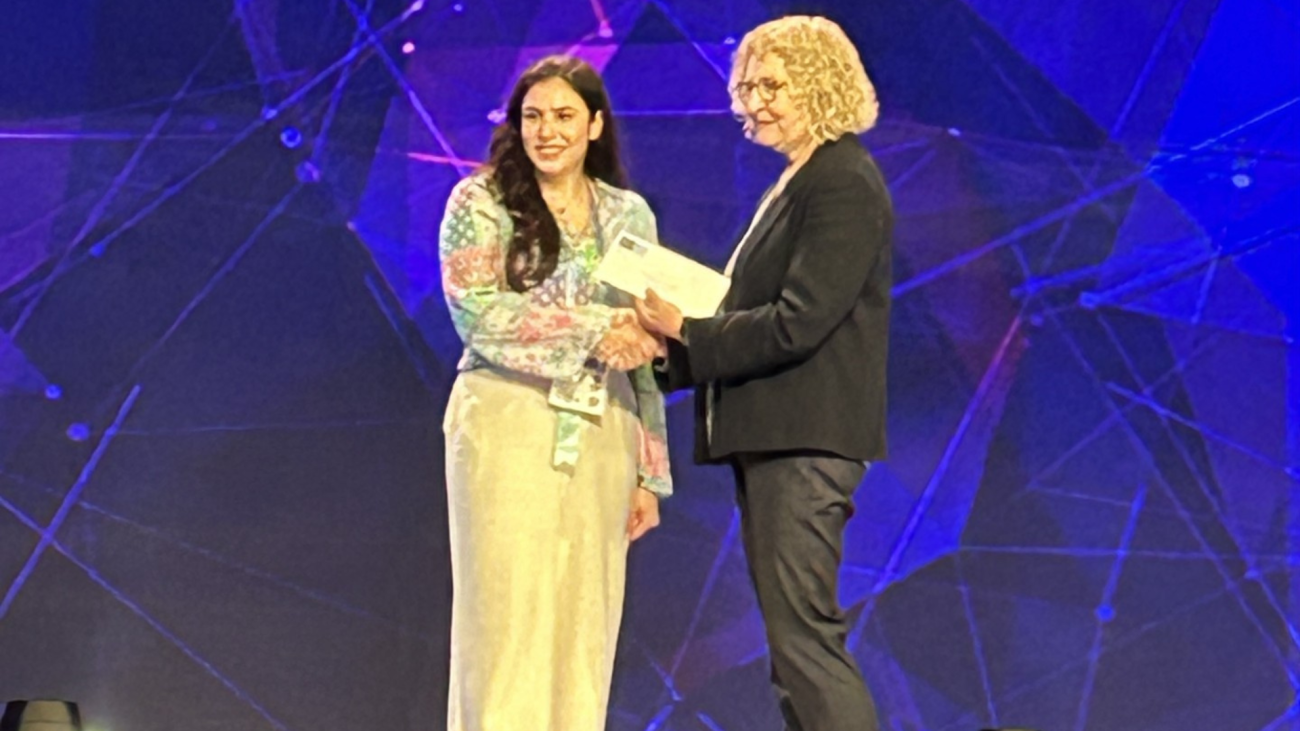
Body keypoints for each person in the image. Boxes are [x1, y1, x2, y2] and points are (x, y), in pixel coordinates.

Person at [634, 16, 891, 731]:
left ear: (822, 83)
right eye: (745, 87)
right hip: (776, 438)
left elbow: (798, 320)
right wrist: (665, 355)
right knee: (790, 643)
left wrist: (682, 330)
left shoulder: (841, 180)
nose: (755, 102)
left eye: (773, 85)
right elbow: (752, 314)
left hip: (805, 442)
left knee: (804, 639)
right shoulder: (800, 179)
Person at [437, 55, 671, 731]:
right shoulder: (478, 203)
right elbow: (480, 316)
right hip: (505, 424)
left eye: (564, 115)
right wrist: (601, 328)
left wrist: (649, 472)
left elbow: (647, 347)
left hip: (605, 431)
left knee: (584, 622)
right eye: (533, 116)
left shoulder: (630, 214)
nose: (548, 131)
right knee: (505, 620)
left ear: (594, 124)